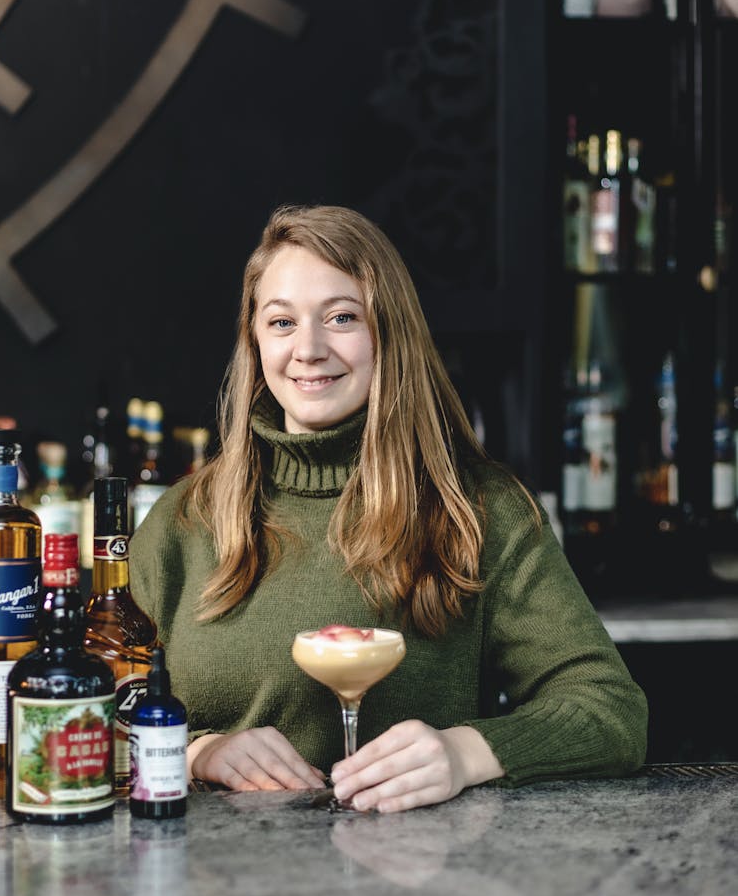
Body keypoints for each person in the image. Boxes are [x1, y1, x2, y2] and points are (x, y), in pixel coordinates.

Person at [129, 204, 648, 813]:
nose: (309, 348)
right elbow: (92, 715)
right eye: (280, 322)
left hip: (413, 883)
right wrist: (198, 753)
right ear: (254, 341)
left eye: (343, 317)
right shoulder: (181, 522)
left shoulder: (476, 508)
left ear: (389, 332)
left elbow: (609, 709)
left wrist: (465, 754)